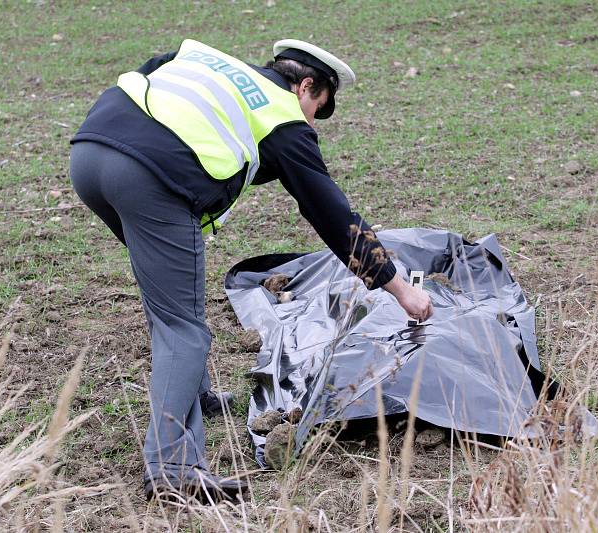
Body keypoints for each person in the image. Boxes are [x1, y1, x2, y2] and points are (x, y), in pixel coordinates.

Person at [69, 38, 433, 502]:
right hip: (150, 179)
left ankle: (194, 397)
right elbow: (332, 214)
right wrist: (399, 288)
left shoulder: (212, 62)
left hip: (89, 153)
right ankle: (173, 469)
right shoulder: (284, 117)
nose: (311, 123)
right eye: (317, 110)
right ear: (305, 87)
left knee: (172, 295)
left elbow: (148, 81)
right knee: (183, 328)